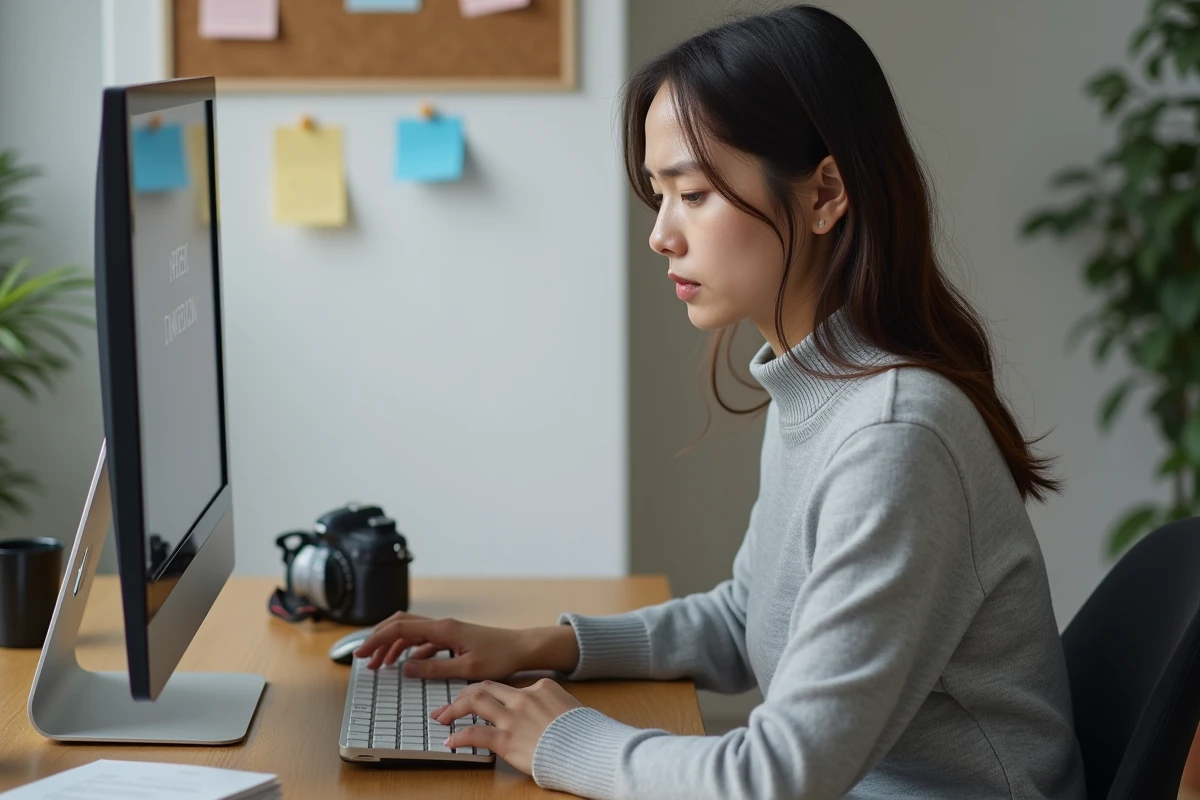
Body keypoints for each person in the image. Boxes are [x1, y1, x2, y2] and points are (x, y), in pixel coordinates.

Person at [354, 5, 1088, 798]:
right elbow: (749, 618)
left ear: (825, 193)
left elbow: (777, 776)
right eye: (659, 195)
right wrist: (542, 644)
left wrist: (561, 738)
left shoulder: (894, 436)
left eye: (693, 193)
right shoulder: (824, 385)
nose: (660, 235)